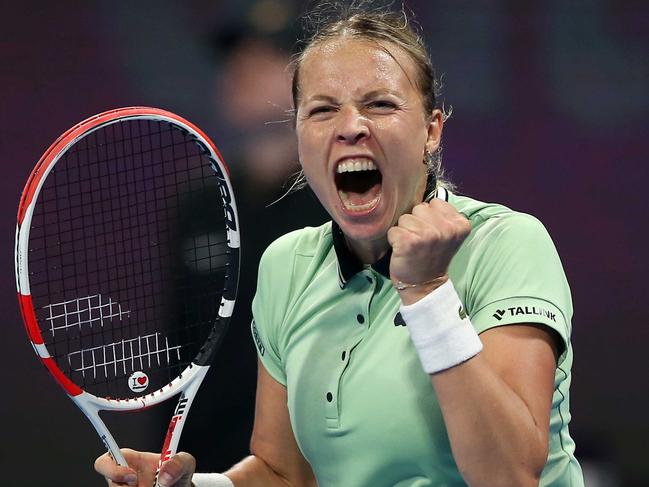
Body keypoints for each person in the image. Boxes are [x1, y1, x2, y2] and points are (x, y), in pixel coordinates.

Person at [95, 3, 584, 486]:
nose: (350, 126)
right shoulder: (286, 266)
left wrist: (429, 291)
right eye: (323, 110)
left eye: (380, 104)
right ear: (300, 134)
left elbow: (510, 476)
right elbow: (283, 474)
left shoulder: (508, 244)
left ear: (432, 130)